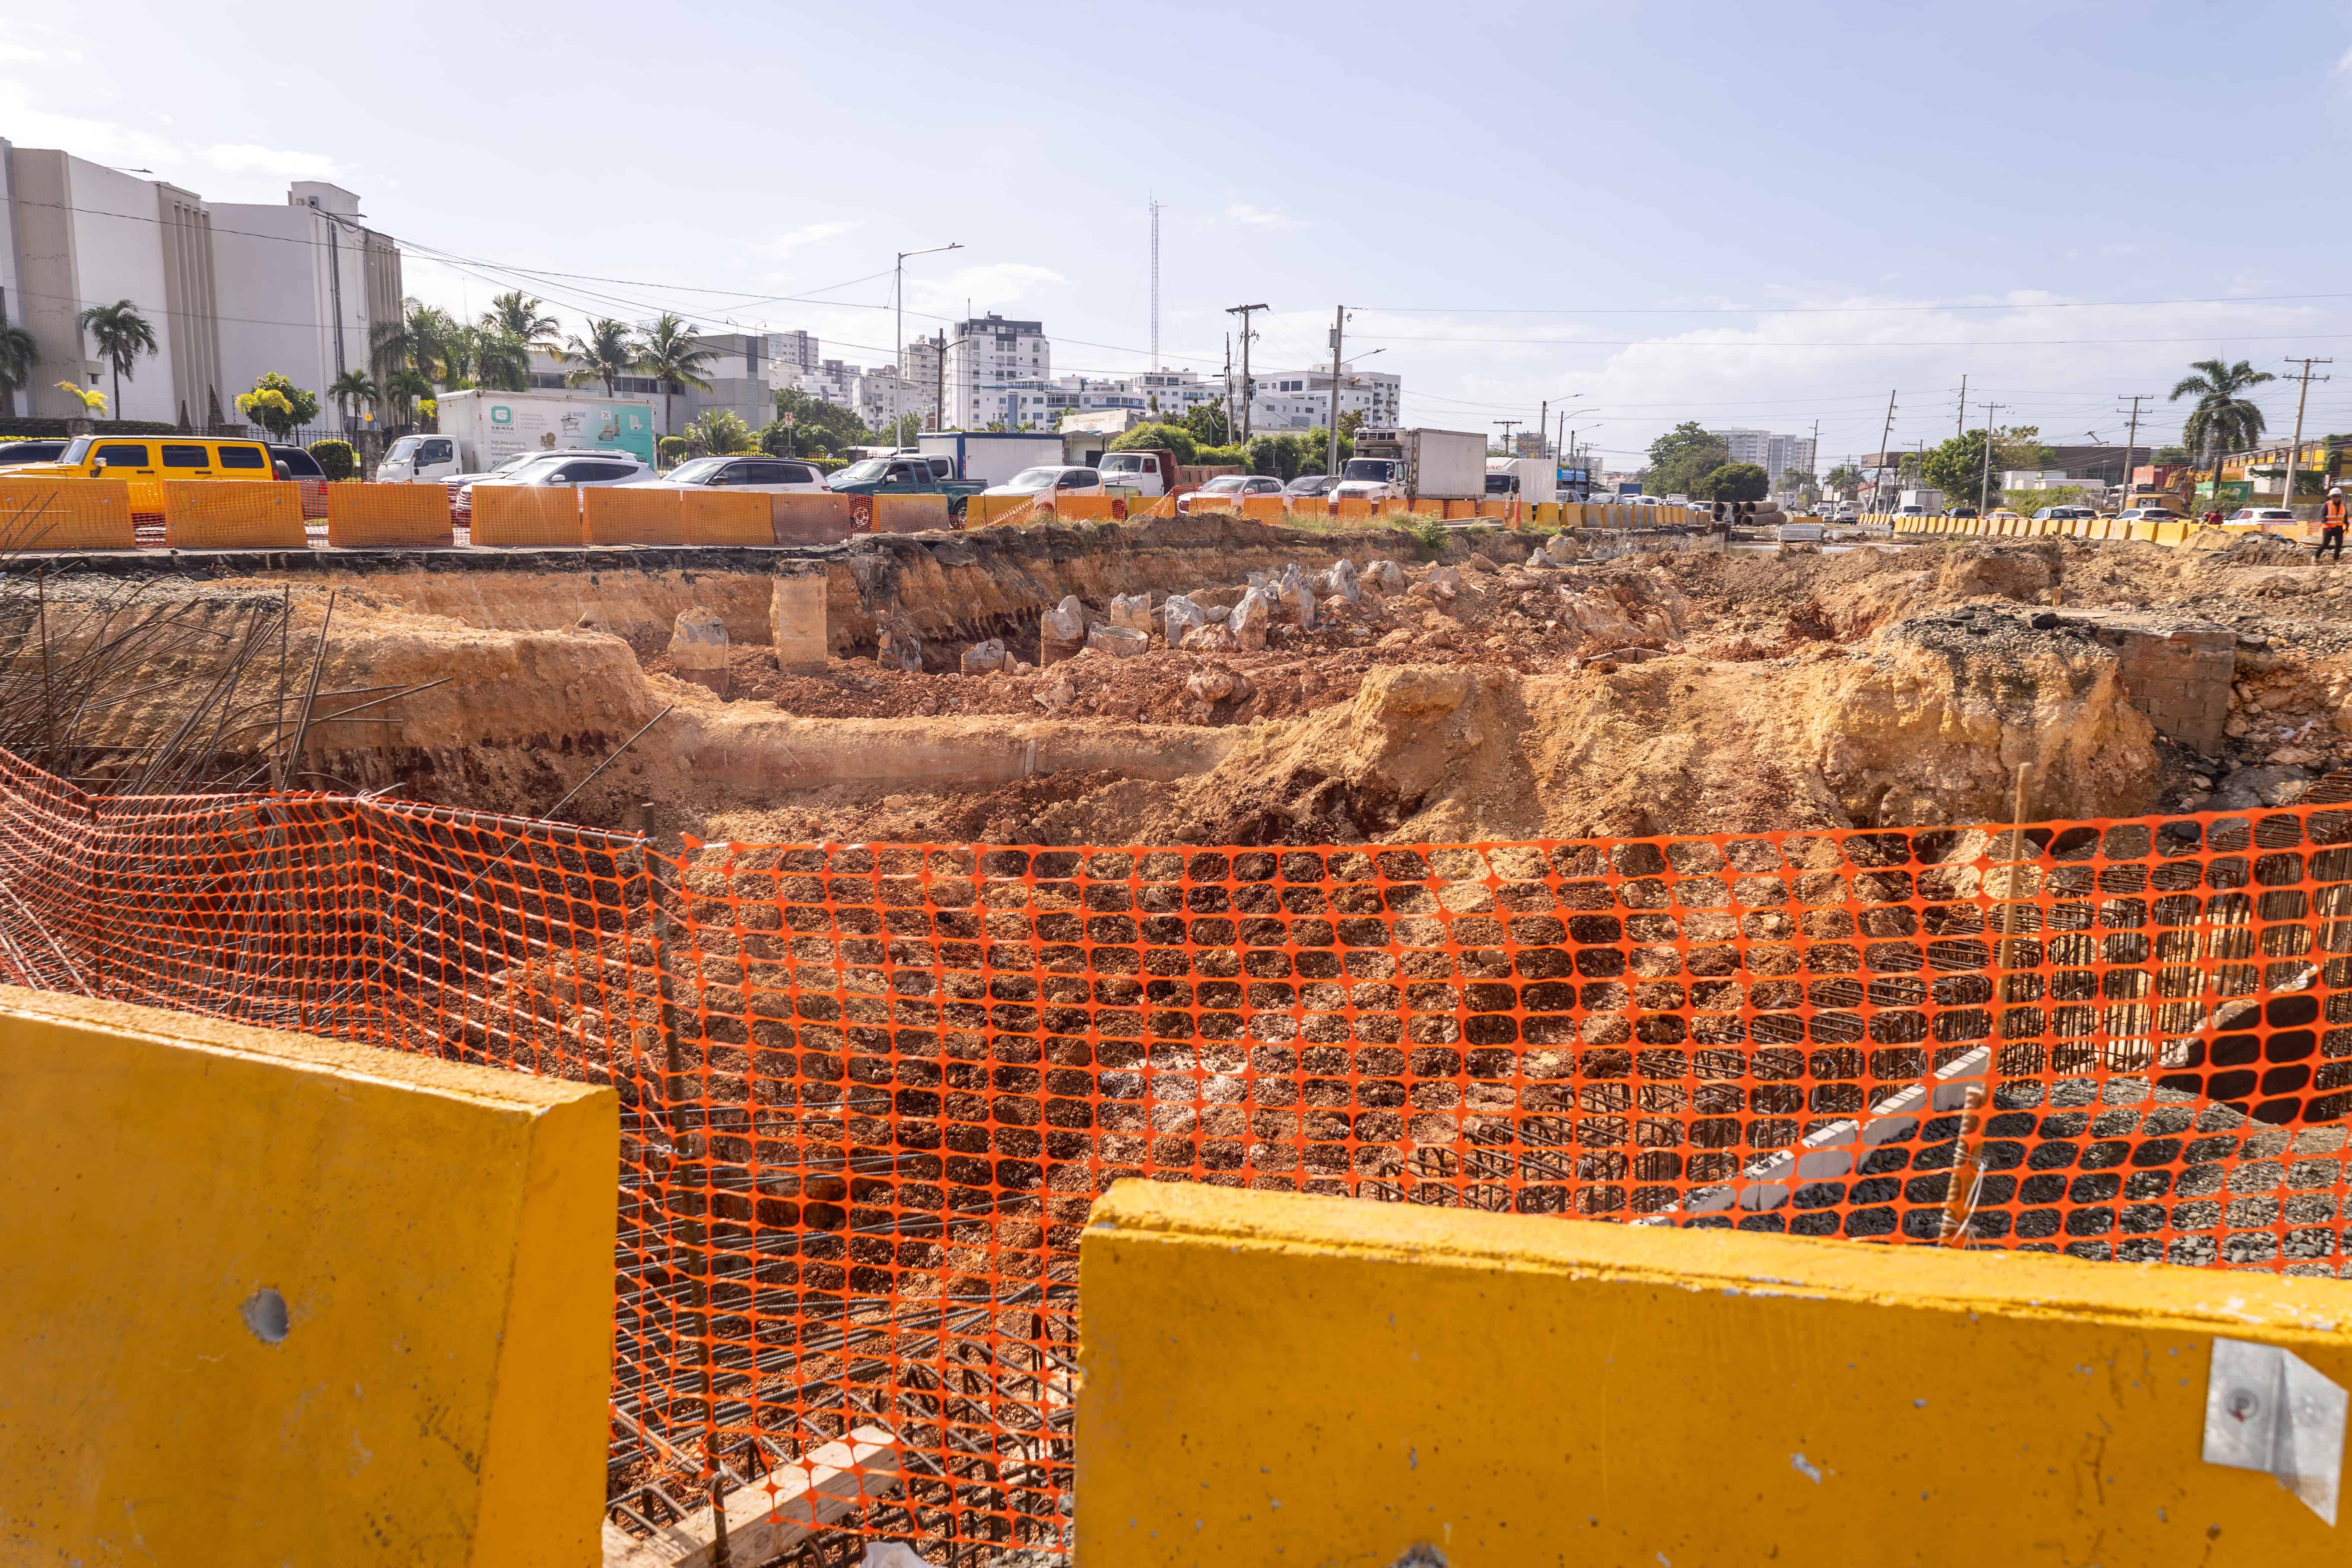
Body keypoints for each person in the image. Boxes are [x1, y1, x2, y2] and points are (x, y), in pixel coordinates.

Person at [2321, 487, 2348, 564]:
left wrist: (2346, 525)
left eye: (2337, 496)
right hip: (2328, 528)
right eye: (2333, 496)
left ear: (2340, 497)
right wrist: (2326, 524)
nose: (2335, 498)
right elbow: (2322, 516)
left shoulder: (2343, 505)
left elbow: (2345, 516)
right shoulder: (2326, 505)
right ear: (2331, 497)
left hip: (2339, 527)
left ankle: (2336, 560)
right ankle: (2316, 557)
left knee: (2339, 544)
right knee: (2325, 544)